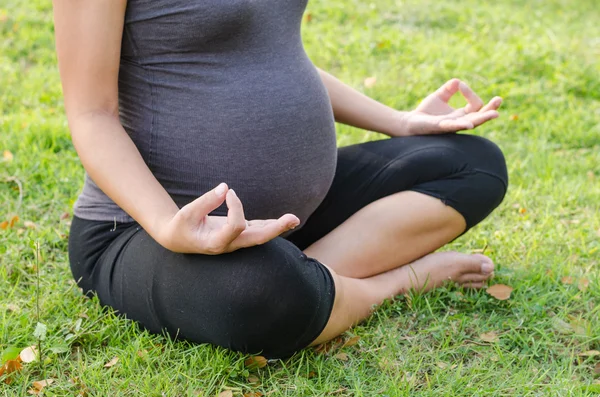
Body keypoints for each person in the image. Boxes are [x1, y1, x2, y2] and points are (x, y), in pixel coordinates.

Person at [53, 0, 508, 359]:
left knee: (474, 165)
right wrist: (167, 225)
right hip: (145, 231)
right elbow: (91, 114)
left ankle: (312, 279)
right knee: (258, 294)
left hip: (288, 217)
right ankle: (397, 281)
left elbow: (271, 55)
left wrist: (398, 121)